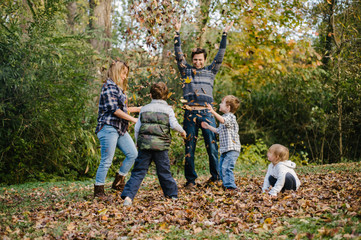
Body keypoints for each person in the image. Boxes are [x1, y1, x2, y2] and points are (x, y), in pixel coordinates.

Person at [174, 19, 234, 189]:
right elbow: (178, 55)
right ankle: (191, 181)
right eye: (195, 59)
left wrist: (224, 34)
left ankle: (215, 178)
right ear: (192, 60)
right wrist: (176, 33)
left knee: (212, 148)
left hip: (207, 113)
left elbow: (220, 54)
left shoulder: (210, 71)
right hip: (190, 113)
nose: (197, 62)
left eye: (200, 60)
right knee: (189, 148)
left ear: (204, 60)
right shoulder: (186, 71)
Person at [121, 82, 187, 206]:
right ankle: (172, 195)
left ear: (150, 95)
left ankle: (128, 197)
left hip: (145, 146)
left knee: (139, 171)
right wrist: (182, 131)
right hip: (161, 147)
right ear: (166, 96)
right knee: (164, 171)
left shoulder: (144, 109)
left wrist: (137, 143)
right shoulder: (168, 110)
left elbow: (137, 128)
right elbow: (173, 125)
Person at [94, 60, 141, 198]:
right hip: (108, 128)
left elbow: (123, 109)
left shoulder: (118, 89)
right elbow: (115, 110)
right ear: (116, 71)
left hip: (119, 129)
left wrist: (138, 109)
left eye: (126, 74)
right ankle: (99, 191)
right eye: (123, 73)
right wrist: (133, 119)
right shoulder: (109, 87)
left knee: (133, 154)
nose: (124, 77)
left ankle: (118, 182)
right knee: (107, 160)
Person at [201, 95, 241, 191]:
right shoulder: (224, 117)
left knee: (226, 168)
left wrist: (213, 112)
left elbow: (223, 121)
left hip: (232, 149)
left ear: (228, 107)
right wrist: (208, 127)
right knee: (221, 168)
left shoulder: (231, 117)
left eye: (222, 103)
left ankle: (231, 187)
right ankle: (226, 185)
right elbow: (219, 130)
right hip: (225, 149)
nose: (219, 104)